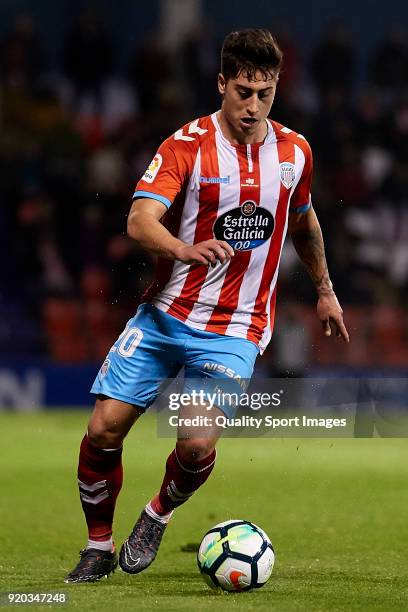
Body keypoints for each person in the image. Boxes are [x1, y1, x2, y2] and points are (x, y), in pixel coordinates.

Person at [64, 28, 349, 583]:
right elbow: (139, 219)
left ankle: (156, 515)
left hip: (236, 328)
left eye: (264, 94)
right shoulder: (186, 145)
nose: (253, 105)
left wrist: (325, 290)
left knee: (194, 445)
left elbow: (304, 222)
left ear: (276, 91)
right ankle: (98, 546)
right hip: (165, 313)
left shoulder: (294, 153)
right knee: (103, 430)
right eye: (243, 90)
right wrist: (181, 249)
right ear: (221, 83)